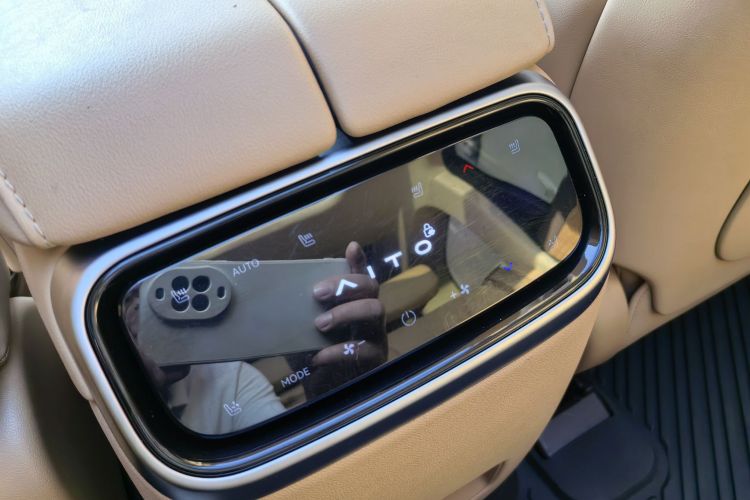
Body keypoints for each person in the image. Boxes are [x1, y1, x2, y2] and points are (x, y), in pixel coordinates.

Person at [122, 242, 386, 435]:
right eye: (128, 297)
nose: (136, 307)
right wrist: (132, 394)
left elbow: (285, 458)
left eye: (143, 291)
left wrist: (337, 395)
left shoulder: (233, 380)